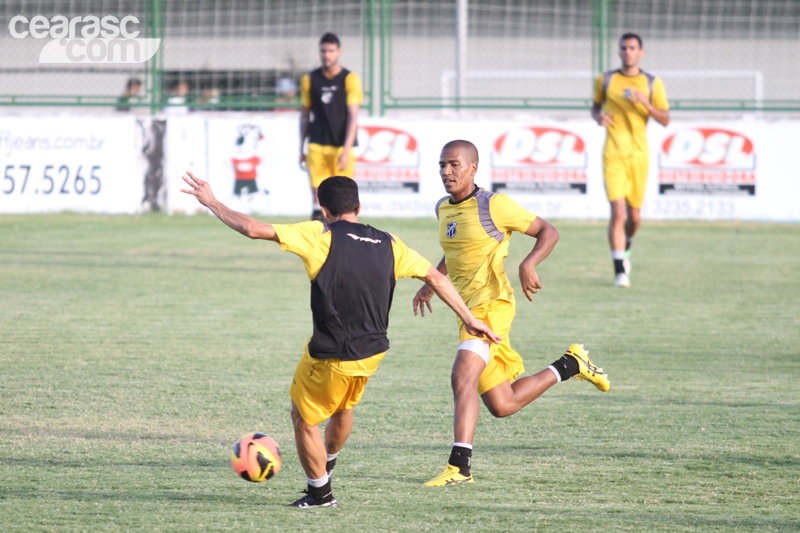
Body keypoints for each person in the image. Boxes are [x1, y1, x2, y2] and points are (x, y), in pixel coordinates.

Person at [181, 173, 501, 508]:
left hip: (332, 353)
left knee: (303, 420)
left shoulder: (319, 233)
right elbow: (434, 275)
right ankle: (327, 464)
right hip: (373, 351)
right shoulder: (388, 242)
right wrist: (470, 318)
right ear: (358, 206)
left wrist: (213, 203)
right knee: (344, 407)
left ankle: (320, 494)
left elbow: (253, 228)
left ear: (323, 208)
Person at [413, 140, 610, 487]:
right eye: (442, 165)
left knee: (462, 377)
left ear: (473, 168)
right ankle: (571, 364)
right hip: (467, 312)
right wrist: (434, 281)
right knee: (503, 404)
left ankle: (460, 467)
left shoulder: (495, 205)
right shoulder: (443, 207)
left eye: (455, 165)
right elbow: (457, 252)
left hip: (491, 307)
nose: (447, 172)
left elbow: (548, 231)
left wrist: (528, 262)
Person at [591, 32, 670, 287]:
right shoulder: (606, 80)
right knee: (618, 212)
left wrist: (646, 104)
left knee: (634, 217)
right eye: (624, 48)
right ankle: (619, 272)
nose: (627, 52)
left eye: (632, 48)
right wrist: (598, 117)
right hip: (613, 154)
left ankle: (627, 247)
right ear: (619, 51)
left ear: (641, 52)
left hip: (639, 156)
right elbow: (595, 107)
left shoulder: (651, 83)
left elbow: (665, 119)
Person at [299, 32, 363, 221]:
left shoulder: (349, 79)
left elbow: (353, 117)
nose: (327, 55)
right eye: (323, 51)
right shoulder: (310, 79)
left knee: (343, 195)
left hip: (340, 146)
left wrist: (346, 149)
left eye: (331, 51)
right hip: (317, 144)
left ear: (339, 52)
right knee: (317, 193)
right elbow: (304, 116)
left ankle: (344, 233)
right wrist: (300, 148)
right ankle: (318, 232)